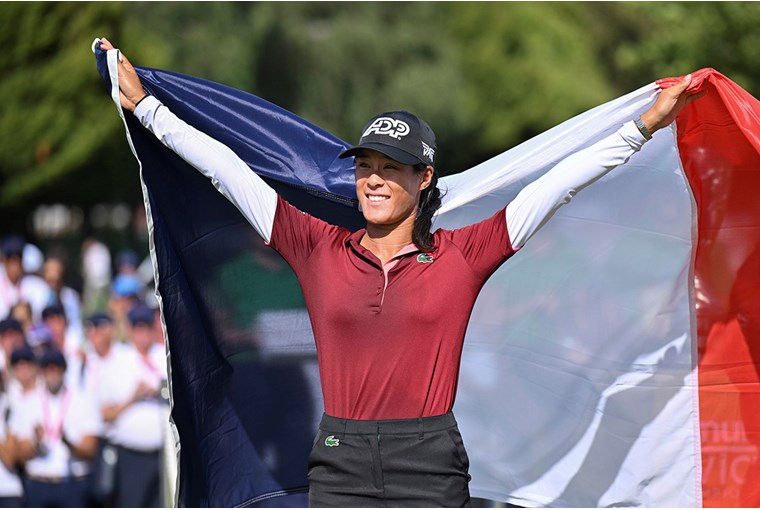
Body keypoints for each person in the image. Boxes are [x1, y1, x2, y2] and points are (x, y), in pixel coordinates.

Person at [98, 37, 704, 506]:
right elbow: (226, 171)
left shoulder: (464, 254)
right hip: (338, 459)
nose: (374, 180)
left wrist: (643, 125)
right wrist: (148, 107)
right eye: (365, 166)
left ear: (424, 179)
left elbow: (559, 186)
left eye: (392, 167)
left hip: (430, 460)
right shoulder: (314, 244)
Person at [8, 349, 101, 507]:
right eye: (47, 368)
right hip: (39, 483)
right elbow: (19, 453)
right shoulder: (28, 403)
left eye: (56, 368)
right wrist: (36, 444)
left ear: (64, 370)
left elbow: (90, 450)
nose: (52, 373)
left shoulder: (82, 400)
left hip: (73, 484)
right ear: (41, 371)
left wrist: (68, 443)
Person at [96, 304, 166, 508]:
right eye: (137, 327)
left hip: (163, 454)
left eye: (146, 327)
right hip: (131, 456)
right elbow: (106, 414)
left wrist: (160, 392)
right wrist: (133, 397)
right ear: (130, 329)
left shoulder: (162, 355)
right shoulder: (117, 361)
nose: (142, 333)